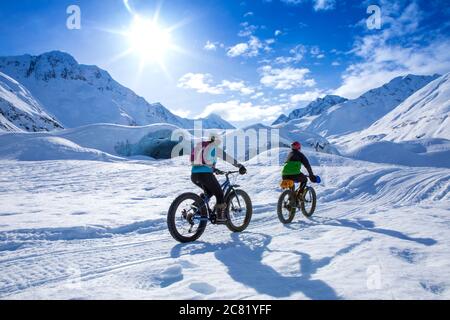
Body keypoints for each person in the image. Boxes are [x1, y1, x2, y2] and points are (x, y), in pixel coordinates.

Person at [191, 133, 246, 223]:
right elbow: (228, 158)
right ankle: (220, 217)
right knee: (220, 194)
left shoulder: (201, 147)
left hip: (194, 175)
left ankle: (197, 205)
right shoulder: (215, 148)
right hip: (205, 175)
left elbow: (202, 162)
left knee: (210, 191)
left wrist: (214, 170)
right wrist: (240, 166)